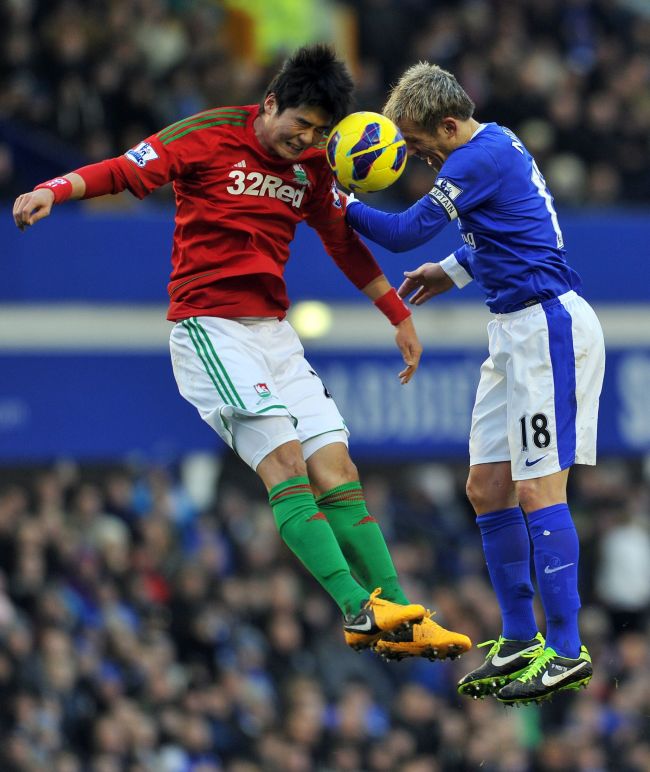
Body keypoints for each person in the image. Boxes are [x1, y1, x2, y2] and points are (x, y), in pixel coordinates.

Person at [13, 46, 471, 660]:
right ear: (271, 102)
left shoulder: (315, 165)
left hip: (274, 334)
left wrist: (396, 313)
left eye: (319, 132)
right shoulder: (208, 135)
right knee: (284, 460)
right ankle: (358, 610)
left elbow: (340, 240)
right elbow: (127, 170)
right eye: (300, 124)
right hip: (210, 328)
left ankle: (399, 617)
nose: (304, 139)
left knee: (338, 467)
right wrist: (55, 188)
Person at [344, 62, 605, 703]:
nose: (414, 155)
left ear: (450, 124)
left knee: (539, 488)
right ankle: (519, 637)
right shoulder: (487, 152)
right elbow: (508, 229)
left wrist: (334, 202)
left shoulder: (476, 158)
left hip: (548, 329)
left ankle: (566, 649)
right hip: (510, 330)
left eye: (417, 141)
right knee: (488, 487)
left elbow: (403, 232)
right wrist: (454, 272)